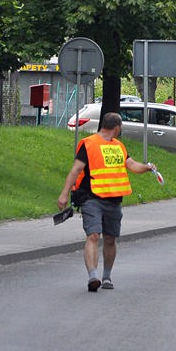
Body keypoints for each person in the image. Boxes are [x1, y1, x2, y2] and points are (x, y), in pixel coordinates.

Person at [57, 112, 155, 291]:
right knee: (93, 235)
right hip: (91, 198)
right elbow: (76, 169)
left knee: (110, 239)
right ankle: (93, 276)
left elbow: (131, 165)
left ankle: (107, 276)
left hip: (114, 200)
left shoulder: (119, 146)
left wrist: (147, 168)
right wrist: (64, 194)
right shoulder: (89, 144)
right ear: (117, 128)